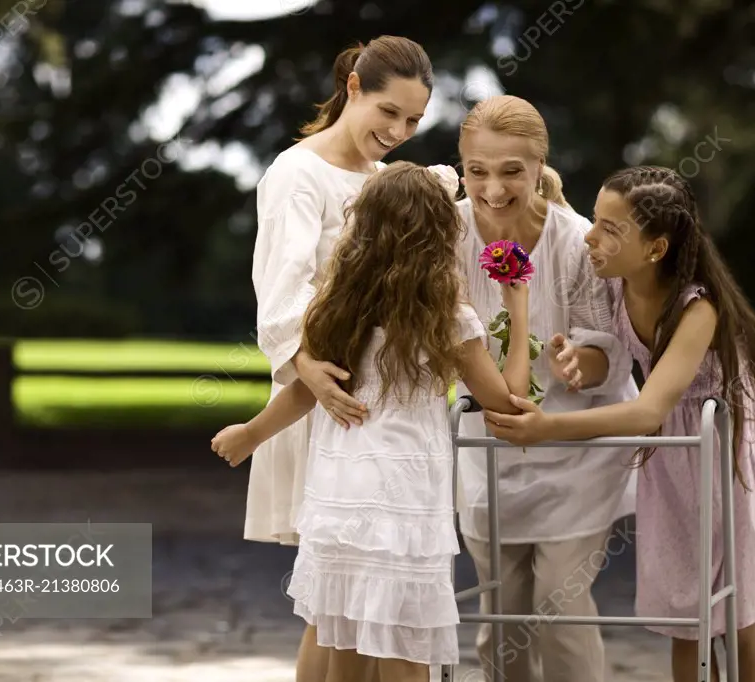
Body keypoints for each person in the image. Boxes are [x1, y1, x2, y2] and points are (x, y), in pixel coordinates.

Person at [482, 166, 755, 682]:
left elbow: (649, 409)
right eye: (595, 220)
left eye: (610, 228)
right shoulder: (616, 288)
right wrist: (577, 357)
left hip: (725, 445)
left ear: (655, 248)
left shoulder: (697, 307)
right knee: (684, 606)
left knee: (731, 607)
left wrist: (546, 428)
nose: (591, 236)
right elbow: (609, 354)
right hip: (675, 450)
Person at [212, 161, 534, 682]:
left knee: (345, 645)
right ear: (438, 235)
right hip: (403, 503)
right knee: (405, 651)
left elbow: (308, 391)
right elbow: (504, 398)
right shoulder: (446, 314)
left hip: (340, 494)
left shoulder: (339, 306)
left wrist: (251, 433)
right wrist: (518, 312)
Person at [245, 35, 433, 682]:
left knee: (347, 608)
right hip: (327, 397)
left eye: (413, 121)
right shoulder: (297, 174)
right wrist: (307, 367)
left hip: (379, 408)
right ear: (353, 87)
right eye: (389, 112)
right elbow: (281, 286)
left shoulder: (386, 182)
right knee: (337, 604)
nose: (399, 131)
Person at [436, 95, 638, 682]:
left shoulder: (576, 241)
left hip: (573, 454)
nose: (492, 188)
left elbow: (610, 349)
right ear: (462, 165)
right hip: (486, 446)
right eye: (477, 171)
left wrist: (581, 363)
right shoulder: (444, 235)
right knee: (500, 616)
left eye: (511, 172)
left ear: (538, 166)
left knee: (559, 607)